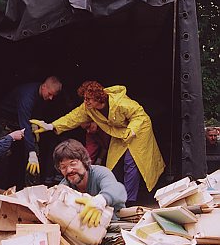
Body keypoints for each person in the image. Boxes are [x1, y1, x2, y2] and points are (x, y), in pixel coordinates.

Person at [32, 81, 165, 203]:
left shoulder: (120, 102)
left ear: (98, 98)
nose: (86, 102)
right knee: (113, 165)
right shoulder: (88, 108)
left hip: (138, 131)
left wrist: (133, 130)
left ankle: (130, 201)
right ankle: (116, 198)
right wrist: (51, 126)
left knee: (131, 162)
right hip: (120, 133)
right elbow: (73, 117)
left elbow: (140, 115)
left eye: (88, 99)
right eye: (84, 98)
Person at [0, 76, 62, 188]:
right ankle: (0, 188)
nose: (51, 98)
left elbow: (35, 117)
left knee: (35, 156)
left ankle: (32, 189)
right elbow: (24, 124)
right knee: (4, 154)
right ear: (44, 87)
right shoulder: (27, 96)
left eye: (53, 96)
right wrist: (31, 151)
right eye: (50, 94)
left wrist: (37, 127)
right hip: (7, 123)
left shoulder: (43, 96)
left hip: (24, 122)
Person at [53, 139, 127, 224]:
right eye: (63, 167)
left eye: (73, 164)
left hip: (115, 225)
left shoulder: (101, 173)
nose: (69, 170)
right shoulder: (64, 187)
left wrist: (101, 200)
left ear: (84, 162)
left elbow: (117, 189)